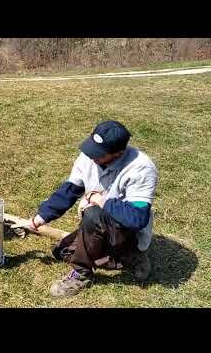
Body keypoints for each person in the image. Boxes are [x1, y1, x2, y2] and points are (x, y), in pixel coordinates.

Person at [28, 121, 158, 297]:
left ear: (118, 153)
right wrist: (41, 217)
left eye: (98, 153)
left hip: (128, 232)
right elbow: (69, 190)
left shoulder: (141, 167)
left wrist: (101, 200)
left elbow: (137, 218)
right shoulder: (88, 157)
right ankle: (125, 259)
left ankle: (83, 273)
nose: (91, 156)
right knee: (62, 251)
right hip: (100, 228)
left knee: (94, 214)